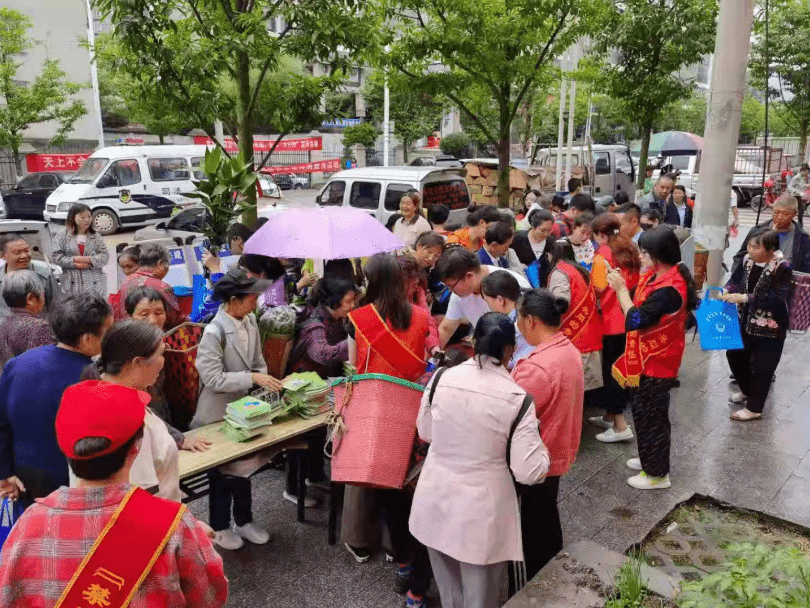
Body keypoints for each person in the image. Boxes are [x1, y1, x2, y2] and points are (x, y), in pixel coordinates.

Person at [0, 380, 228, 608]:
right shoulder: (174, 526)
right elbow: (210, 598)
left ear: (64, 447)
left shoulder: (27, 527)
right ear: (135, 450)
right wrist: (199, 543)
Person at [410, 313, 550, 608]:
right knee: (481, 598)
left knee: (451, 595)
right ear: (510, 349)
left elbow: (426, 431)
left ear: (474, 343)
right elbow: (529, 471)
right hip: (481, 514)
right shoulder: (517, 398)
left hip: (434, 499)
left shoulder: (441, 378)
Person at [343, 253, 432, 607]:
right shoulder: (423, 317)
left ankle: (404, 563)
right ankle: (417, 563)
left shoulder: (358, 320)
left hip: (376, 415)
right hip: (412, 414)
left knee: (388, 492)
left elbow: (353, 369)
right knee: (415, 490)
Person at [192, 268, 284, 550]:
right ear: (233, 300)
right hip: (217, 412)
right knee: (221, 473)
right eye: (250, 297)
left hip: (245, 408)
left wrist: (261, 380)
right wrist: (252, 378)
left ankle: (243, 521)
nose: (256, 301)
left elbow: (257, 360)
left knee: (245, 467)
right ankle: (219, 527)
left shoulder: (251, 321)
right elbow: (212, 378)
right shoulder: (214, 331)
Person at [606, 226, 699, 490]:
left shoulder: (669, 288)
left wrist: (621, 290)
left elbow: (635, 319)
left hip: (657, 362)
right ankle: (650, 458)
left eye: (645, 253)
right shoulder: (659, 275)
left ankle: (657, 474)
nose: (641, 258)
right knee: (643, 413)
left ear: (659, 255)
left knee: (652, 418)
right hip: (644, 357)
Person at [0, 294, 112, 507]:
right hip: (70, 482)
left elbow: (1, 422)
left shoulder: (18, 364)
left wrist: (5, 473)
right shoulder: (91, 378)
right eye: (108, 330)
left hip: (23, 478)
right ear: (88, 339)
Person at [79, 320, 201, 501]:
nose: (164, 360)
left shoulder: (103, 394)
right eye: (161, 354)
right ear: (138, 362)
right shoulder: (124, 419)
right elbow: (140, 495)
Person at [512, 289, 584, 584]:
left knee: (531, 527)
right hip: (558, 450)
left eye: (518, 317)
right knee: (546, 515)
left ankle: (535, 586)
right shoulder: (568, 349)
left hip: (536, 459)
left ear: (531, 321)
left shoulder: (537, 368)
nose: (516, 324)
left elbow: (510, 413)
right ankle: (552, 571)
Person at [722, 230, 791, 421]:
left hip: (771, 327)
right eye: (749, 246)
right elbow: (736, 281)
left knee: (763, 368)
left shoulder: (782, 267)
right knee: (735, 354)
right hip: (745, 320)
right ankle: (747, 391)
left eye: (755, 247)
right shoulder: (747, 261)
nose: (750, 250)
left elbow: (778, 297)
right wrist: (726, 290)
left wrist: (745, 297)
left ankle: (754, 408)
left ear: (770, 249)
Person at [589, 214, 641, 442]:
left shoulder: (603, 255)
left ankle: (620, 425)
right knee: (621, 369)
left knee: (613, 373)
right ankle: (610, 416)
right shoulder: (629, 247)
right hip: (628, 314)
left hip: (610, 320)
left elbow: (597, 288)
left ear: (600, 234)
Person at [435, 247, 531, 348]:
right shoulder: (459, 296)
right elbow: (446, 329)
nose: (450, 291)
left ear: (469, 276)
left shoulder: (513, 283)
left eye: (451, 286)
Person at [548, 240, 603, 392]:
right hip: (589, 330)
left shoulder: (560, 272)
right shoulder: (580, 270)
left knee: (574, 389)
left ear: (550, 255)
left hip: (574, 336)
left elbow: (561, 301)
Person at [287, 275, 358, 377]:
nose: (353, 305)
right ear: (334, 301)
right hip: (308, 382)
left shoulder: (338, 317)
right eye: (348, 301)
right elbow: (323, 354)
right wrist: (353, 341)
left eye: (353, 300)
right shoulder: (314, 324)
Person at [114, 243, 187, 328]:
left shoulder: (126, 281)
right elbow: (174, 319)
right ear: (160, 264)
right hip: (152, 334)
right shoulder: (162, 287)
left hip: (129, 332)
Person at [733, 195, 810, 274]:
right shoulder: (757, 230)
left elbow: (806, 268)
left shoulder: (802, 237)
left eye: (786, 214)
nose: (780, 217)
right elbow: (740, 257)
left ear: (794, 214)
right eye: (776, 212)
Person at [0, 270, 55, 369]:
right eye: (43, 294)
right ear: (31, 299)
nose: (44, 298)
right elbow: (48, 365)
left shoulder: (3, 323)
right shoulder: (40, 328)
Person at [51, 203, 110, 296]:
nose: (87, 220)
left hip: (94, 280)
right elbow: (56, 256)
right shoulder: (62, 236)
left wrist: (89, 260)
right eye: (82, 217)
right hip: (72, 280)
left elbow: (105, 256)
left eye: (89, 216)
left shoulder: (96, 236)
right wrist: (74, 262)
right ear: (73, 217)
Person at [481, 270, 534, 367]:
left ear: (500, 300)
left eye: (487, 301)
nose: (488, 306)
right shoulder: (530, 308)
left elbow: (503, 362)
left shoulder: (514, 327)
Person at [0, 235, 61, 318]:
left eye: (26, 250)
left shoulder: (44, 274)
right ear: (2, 255)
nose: (24, 256)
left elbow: (58, 304)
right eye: (17, 253)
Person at [511, 209, 556, 288]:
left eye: (549, 231)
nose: (546, 234)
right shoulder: (517, 239)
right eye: (542, 230)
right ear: (533, 226)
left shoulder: (551, 242)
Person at [412, 231, 451, 318]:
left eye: (436, 256)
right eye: (429, 252)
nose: (431, 258)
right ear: (419, 246)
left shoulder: (427, 270)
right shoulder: (405, 267)